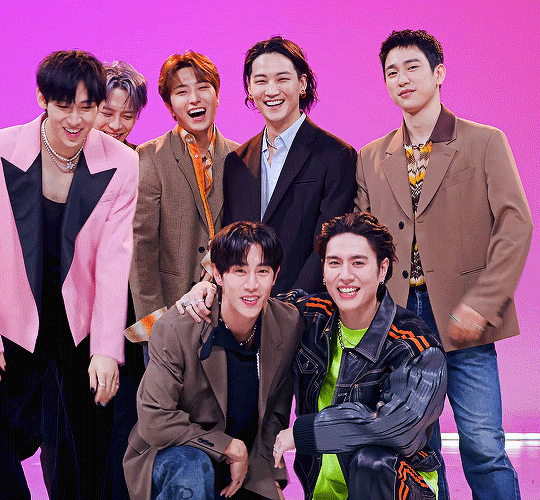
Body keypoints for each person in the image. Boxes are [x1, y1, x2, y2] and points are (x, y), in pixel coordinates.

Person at [355, 29, 533, 500]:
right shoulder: (372, 156)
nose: (402, 79)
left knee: (483, 445)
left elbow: (516, 224)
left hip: (462, 314)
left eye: (412, 67)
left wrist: (484, 303)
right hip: (398, 320)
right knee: (418, 448)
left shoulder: (484, 141)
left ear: (439, 73)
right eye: (392, 72)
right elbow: (364, 241)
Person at [178, 213, 447, 499]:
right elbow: (251, 300)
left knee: (371, 462)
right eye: (334, 263)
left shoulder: (416, 346)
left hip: (395, 489)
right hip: (324, 492)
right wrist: (209, 291)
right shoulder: (310, 315)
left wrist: (305, 432)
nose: (345, 275)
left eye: (358, 263)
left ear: (382, 269)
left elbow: (398, 428)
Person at [0, 50, 138, 500]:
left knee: (90, 446)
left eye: (87, 107)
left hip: (80, 316)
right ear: (43, 99)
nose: (76, 120)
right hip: (13, 312)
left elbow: (114, 259)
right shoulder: (4, 149)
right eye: (64, 106)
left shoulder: (121, 161)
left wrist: (106, 350)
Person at [123, 221, 304, 500]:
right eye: (239, 271)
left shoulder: (287, 324)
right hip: (176, 456)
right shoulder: (177, 327)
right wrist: (227, 446)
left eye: (262, 271)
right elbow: (154, 418)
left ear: (275, 274)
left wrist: (272, 479)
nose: (252, 285)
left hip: (244, 464)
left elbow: (274, 416)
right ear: (217, 274)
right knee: (193, 470)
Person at [223, 36, 357, 295]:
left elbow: (330, 244)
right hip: (246, 303)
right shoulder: (236, 162)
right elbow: (233, 243)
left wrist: (292, 305)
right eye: (261, 81)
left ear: (302, 83)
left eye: (282, 79)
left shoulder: (336, 155)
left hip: (306, 305)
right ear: (250, 88)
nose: (272, 91)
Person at [129, 51, 239, 333]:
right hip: (170, 313)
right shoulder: (150, 156)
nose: (194, 99)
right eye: (182, 92)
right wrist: (153, 325)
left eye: (203, 88)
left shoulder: (240, 157)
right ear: (170, 106)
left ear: (217, 96)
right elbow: (141, 248)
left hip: (227, 313)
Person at [93, 60, 148, 500]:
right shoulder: (62, 161)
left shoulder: (141, 163)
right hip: (72, 314)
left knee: (125, 424)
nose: (115, 124)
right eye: (106, 112)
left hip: (129, 312)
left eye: (127, 115)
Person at [94, 60, 148, 149]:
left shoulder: (141, 156)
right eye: (107, 114)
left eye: (127, 116)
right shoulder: (70, 154)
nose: (116, 126)